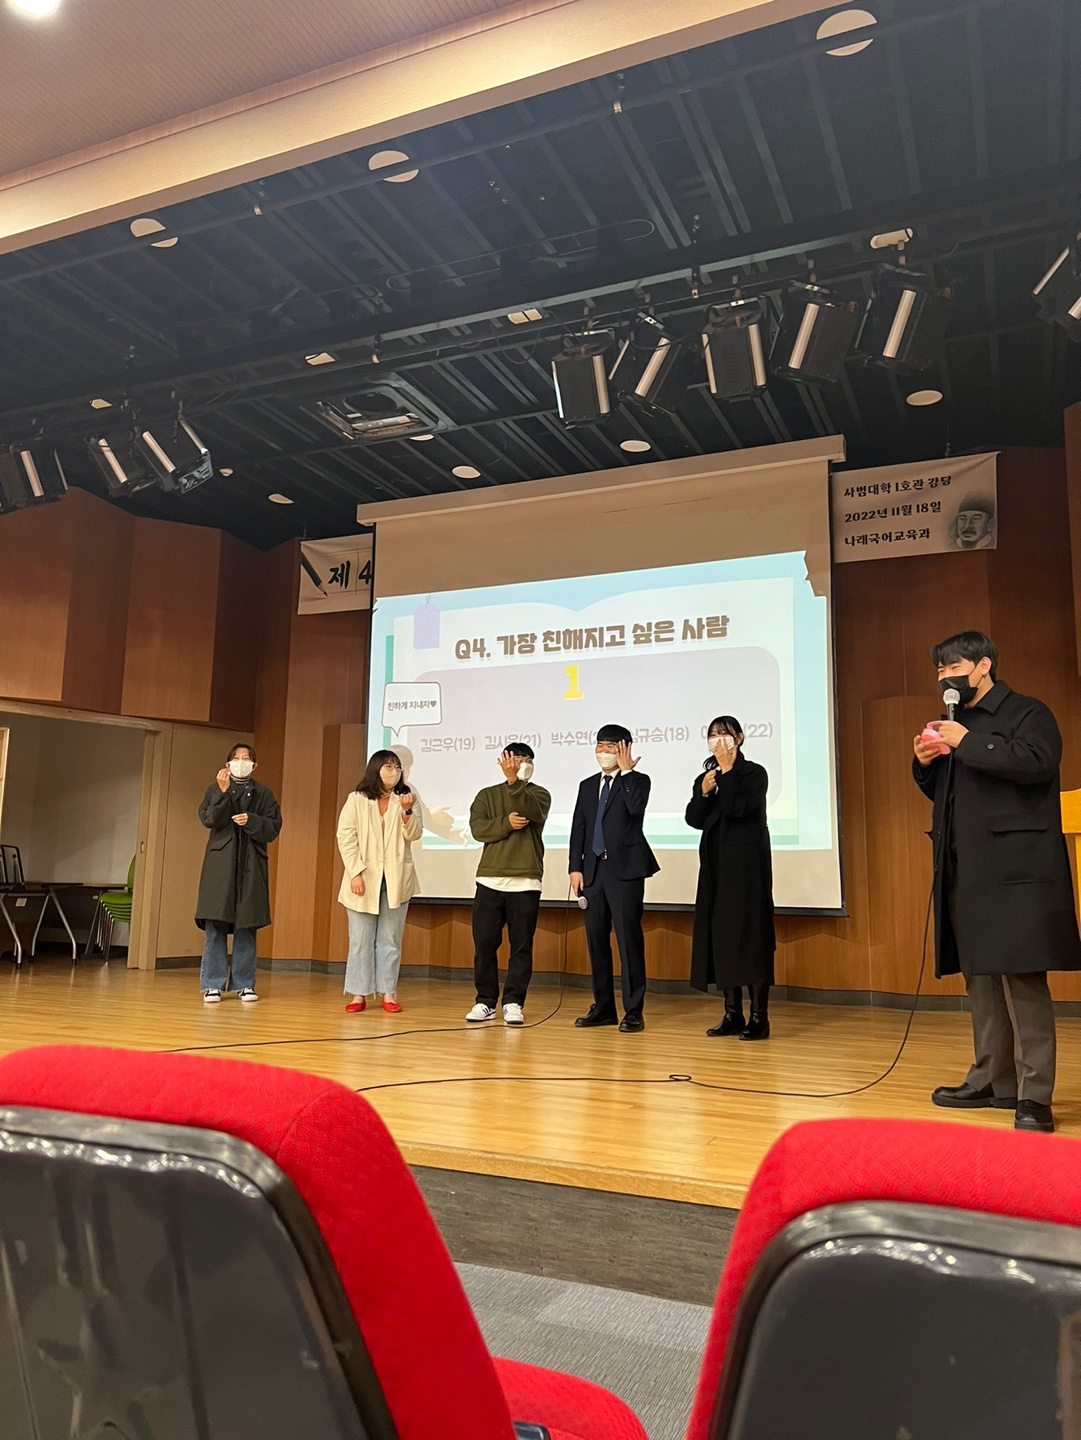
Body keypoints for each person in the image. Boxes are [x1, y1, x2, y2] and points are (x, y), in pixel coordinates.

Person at [912, 631, 1081, 1133]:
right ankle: (993, 1080)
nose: (945, 677)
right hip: (966, 869)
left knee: (1023, 983)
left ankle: (1035, 1096)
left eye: (954, 667)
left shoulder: (1028, 712)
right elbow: (951, 792)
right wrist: (924, 765)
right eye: (940, 670)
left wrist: (966, 742)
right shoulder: (952, 723)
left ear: (983, 666)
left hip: (1015, 874)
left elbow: (1037, 763)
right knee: (980, 980)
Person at [686, 716, 776, 1040]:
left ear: (739, 738)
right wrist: (704, 791)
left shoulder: (754, 774)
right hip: (716, 869)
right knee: (722, 938)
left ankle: (759, 1018)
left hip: (748, 870)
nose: (717, 740)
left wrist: (727, 772)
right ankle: (732, 1014)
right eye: (712, 735)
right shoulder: (708, 777)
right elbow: (693, 818)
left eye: (724, 734)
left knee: (751, 938)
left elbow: (739, 808)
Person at [569, 724, 659, 1033]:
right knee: (596, 940)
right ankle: (603, 1007)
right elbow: (579, 828)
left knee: (628, 940)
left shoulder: (638, 781)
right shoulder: (587, 785)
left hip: (625, 871)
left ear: (625, 748)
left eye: (611, 746)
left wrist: (626, 772)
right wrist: (575, 867)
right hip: (593, 872)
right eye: (600, 745)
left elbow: (636, 810)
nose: (604, 751)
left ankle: (633, 1010)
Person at [465, 744, 552, 1026]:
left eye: (528, 760)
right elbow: (479, 829)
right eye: (517, 759)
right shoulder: (486, 795)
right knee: (484, 945)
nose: (523, 764)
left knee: (521, 946)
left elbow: (530, 810)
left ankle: (514, 1002)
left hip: (526, 881)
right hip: (489, 880)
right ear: (502, 762)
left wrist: (514, 782)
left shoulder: (539, 794)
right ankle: (485, 1001)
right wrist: (505, 823)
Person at [337, 750, 422, 1013]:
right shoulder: (357, 799)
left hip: (396, 879)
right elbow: (345, 837)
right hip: (363, 878)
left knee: (390, 939)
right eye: (388, 767)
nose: (394, 772)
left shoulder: (407, 798)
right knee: (360, 940)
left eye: (397, 767)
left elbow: (414, 834)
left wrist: (407, 811)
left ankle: (388, 993)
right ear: (375, 769)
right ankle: (358, 994)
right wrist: (355, 872)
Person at [196, 743, 282, 1004]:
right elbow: (209, 819)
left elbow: (273, 827)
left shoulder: (263, 793)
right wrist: (223, 793)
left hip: (251, 865)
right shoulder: (214, 789)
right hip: (219, 866)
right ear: (228, 764)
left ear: (254, 766)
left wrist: (252, 821)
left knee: (247, 926)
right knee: (216, 925)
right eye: (236, 758)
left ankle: (244, 984)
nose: (241, 762)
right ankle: (212, 984)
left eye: (246, 759)